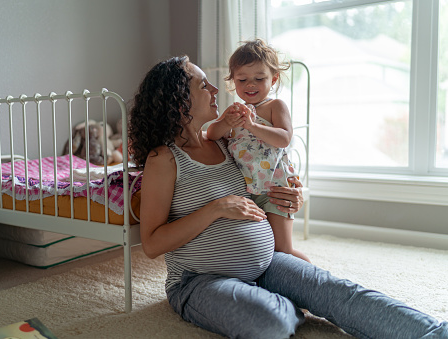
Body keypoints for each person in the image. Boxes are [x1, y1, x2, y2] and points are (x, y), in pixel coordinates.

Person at [128, 56, 448, 339]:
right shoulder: (164, 159)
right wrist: (216, 209)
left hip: (267, 265)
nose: (214, 90)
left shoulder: (227, 143)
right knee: (267, 323)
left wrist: (288, 194)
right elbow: (153, 245)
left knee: (336, 291)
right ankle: (285, 302)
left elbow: (265, 177)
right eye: (203, 85)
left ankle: (433, 332)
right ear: (179, 100)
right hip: (200, 281)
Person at [207, 39, 309, 262]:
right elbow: (211, 134)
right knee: (257, 250)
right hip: (244, 191)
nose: (250, 85)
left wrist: (252, 126)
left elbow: (284, 138)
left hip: (276, 187)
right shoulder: (234, 111)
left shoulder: (275, 106)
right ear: (233, 81)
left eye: (259, 78)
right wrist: (227, 123)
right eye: (242, 79)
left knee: (283, 250)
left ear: (273, 79)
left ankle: (313, 277)